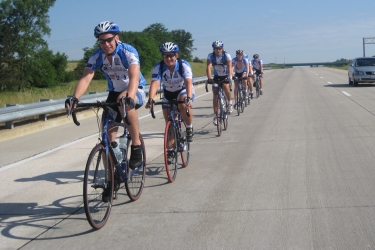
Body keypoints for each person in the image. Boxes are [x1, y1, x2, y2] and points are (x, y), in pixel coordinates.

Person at [65, 21, 146, 172]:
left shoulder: (128, 51)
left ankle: (136, 145)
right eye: (102, 41)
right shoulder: (97, 56)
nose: (106, 44)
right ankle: (110, 182)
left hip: (135, 89)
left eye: (109, 39)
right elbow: (86, 78)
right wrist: (75, 98)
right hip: (113, 92)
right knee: (106, 140)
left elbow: (134, 76)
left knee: (123, 101)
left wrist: (130, 95)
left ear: (117, 37)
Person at [146, 42, 195, 143]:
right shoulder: (159, 67)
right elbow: (155, 83)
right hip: (168, 92)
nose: (168, 59)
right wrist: (150, 99)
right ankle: (170, 151)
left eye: (171, 55)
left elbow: (188, 82)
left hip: (183, 90)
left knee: (183, 103)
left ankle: (189, 127)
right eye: (165, 56)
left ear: (176, 55)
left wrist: (189, 98)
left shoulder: (183, 65)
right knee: (168, 121)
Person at [206, 40, 233, 125]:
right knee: (215, 93)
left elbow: (229, 67)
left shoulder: (226, 55)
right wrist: (210, 78)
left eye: (219, 48)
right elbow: (209, 67)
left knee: (225, 86)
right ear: (213, 49)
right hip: (217, 76)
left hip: (226, 75)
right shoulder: (211, 56)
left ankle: (229, 103)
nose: (218, 50)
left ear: (222, 48)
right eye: (216, 49)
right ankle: (215, 115)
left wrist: (229, 77)